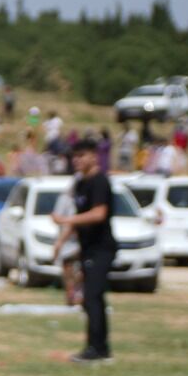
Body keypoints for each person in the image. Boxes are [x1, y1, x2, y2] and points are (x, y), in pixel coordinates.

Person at [57, 142, 116, 361]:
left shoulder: (100, 182)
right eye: (74, 156)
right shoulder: (81, 184)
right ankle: (100, 347)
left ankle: (96, 349)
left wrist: (65, 219)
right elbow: (79, 218)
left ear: (94, 156)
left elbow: (99, 214)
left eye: (81, 155)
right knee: (92, 299)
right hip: (88, 248)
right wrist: (61, 240)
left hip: (102, 248)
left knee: (92, 297)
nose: (77, 160)